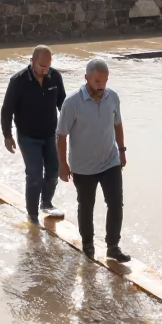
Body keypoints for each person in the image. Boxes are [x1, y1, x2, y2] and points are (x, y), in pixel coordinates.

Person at [56, 58, 129, 262]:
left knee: (116, 203)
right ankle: (88, 245)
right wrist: (62, 164)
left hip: (110, 161)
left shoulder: (112, 97)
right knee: (86, 205)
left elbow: (118, 125)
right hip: (83, 166)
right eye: (97, 81)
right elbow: (61, 135)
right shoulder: (72, 103)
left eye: (104, 81)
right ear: (86, 78)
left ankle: (113, 247)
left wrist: (122, 151)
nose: (101, 86)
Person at [1, 45, 67, 224]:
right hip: (28, 136)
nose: (44, 70)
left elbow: (63, 105)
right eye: (41, 66)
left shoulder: (55, 77)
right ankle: (32, 215)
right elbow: (7, 110)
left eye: (47, 66)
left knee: (53, 170)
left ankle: (46, 203)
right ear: (32, 62)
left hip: (50, 134)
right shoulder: (18, 81)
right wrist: (7, 135)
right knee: (35, 174)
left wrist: (69, 130)